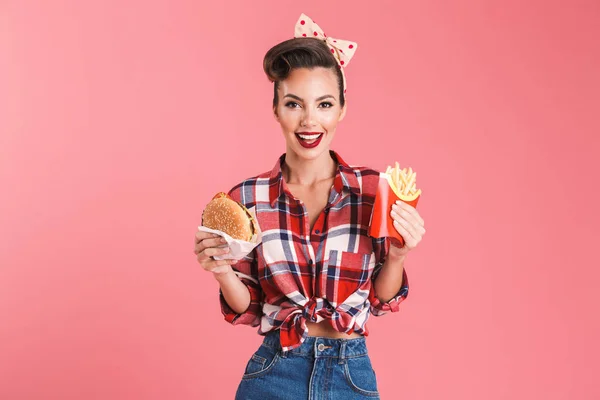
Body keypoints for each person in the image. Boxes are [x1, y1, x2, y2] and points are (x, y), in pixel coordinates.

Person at [194, 13, 426, 400]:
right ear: (275, 109)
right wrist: (220, 270)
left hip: (351, 374)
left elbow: (381, 302)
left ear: (341, 109)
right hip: (274, 372)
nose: (309, 120)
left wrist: (399, 254)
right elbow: (250, 308)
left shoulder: (373, 192)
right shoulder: (247, 199)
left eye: (323, 104)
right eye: (293, 104)